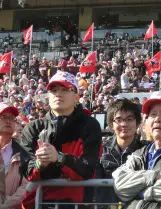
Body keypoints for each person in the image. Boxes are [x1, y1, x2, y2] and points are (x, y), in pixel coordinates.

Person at [20, 71, 102, 209]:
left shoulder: (90, 125)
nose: (58, 94)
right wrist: (41, 164)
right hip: (35, 204)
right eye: (54, 90)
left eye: (65, 89)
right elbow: (27, 172)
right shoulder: (32, 128)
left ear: (76, 97)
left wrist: (59, 158)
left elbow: (86, 169)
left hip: (77, 204)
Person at [95, 98, 147, 205]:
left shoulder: (146, 150)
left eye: (129, 119)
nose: (124, 124)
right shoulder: (99, 149)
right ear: (111, 124)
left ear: (137, 124)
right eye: (118, 120)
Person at [0, 102, 28, 208]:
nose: (8, 121)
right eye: (2, 117)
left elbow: (25, 186)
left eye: (12, 118)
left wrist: (5, 205)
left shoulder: (24, 154)